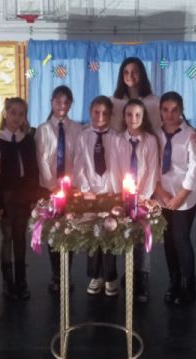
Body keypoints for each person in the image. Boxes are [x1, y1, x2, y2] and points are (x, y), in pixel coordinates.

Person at [155, 91, 196, 305]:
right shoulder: (155, 135)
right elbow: (151, 165)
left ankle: (188, 283)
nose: (170, 114)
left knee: (181, 238)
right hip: (162, 195)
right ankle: (173, 281)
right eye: (165, 110)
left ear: (182, 110)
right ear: (160, 111)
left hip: (185, 196)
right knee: (168, 240)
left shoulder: (191, 135)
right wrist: (162, 194)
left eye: (175, 110)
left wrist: (180, 197)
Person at [111, 98, 160, 303]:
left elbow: (152, 170)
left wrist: (142, 198)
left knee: (142, 235)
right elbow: (115, 169)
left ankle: (142, 279)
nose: (133, 118)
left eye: (138, 115)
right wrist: (121, 196)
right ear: (124, 117)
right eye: (129, 114)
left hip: (144, 198)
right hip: (123, 197)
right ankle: (130, 273)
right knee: (127, 234)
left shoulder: (150, 141)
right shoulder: (117, 140)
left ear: (143, 117)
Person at [35, 85, 83, 293]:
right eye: (58, 101)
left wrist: (72, 185)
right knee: (54, 231)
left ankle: (67, 273)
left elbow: (80, 158)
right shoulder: (43, 129)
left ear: (70, 104)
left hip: (71, 189)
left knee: (69, 230)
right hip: (49, 189)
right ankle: (56, 274)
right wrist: (53, 187)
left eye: (66, 102)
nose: (62, 105)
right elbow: (42, 160)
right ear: (52, 102)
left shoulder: (78, 129)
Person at [73, 96, 121, 297]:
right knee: (93, 234)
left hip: (111, 193)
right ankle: (95, 275)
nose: (100, 116)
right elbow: (79, 165)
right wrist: (86, 190)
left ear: (110, 115)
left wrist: (116, 191)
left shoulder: (117, 137)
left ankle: (110, 276)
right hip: (90, 194)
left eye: (104, 113)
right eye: (96, 112)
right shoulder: (83, 137)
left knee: (110, 234)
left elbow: (120, 166)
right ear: (90, 112)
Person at [0, 97, 40, 300]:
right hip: (5, 196)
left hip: (23, 195)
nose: (17, 117)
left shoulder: (27, 139)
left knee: (20, 237)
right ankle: (7, 281)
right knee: (7, 237)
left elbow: (33, 171)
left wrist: (33, 197)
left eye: (21, 114)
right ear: (5, 113)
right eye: (13, 113)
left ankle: (21, 280)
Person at [110, 57, 161, 133]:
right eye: (126, 72)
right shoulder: (112, 102)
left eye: (134, 72)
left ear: (142, 74)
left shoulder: (156, 102)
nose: (130, 76)